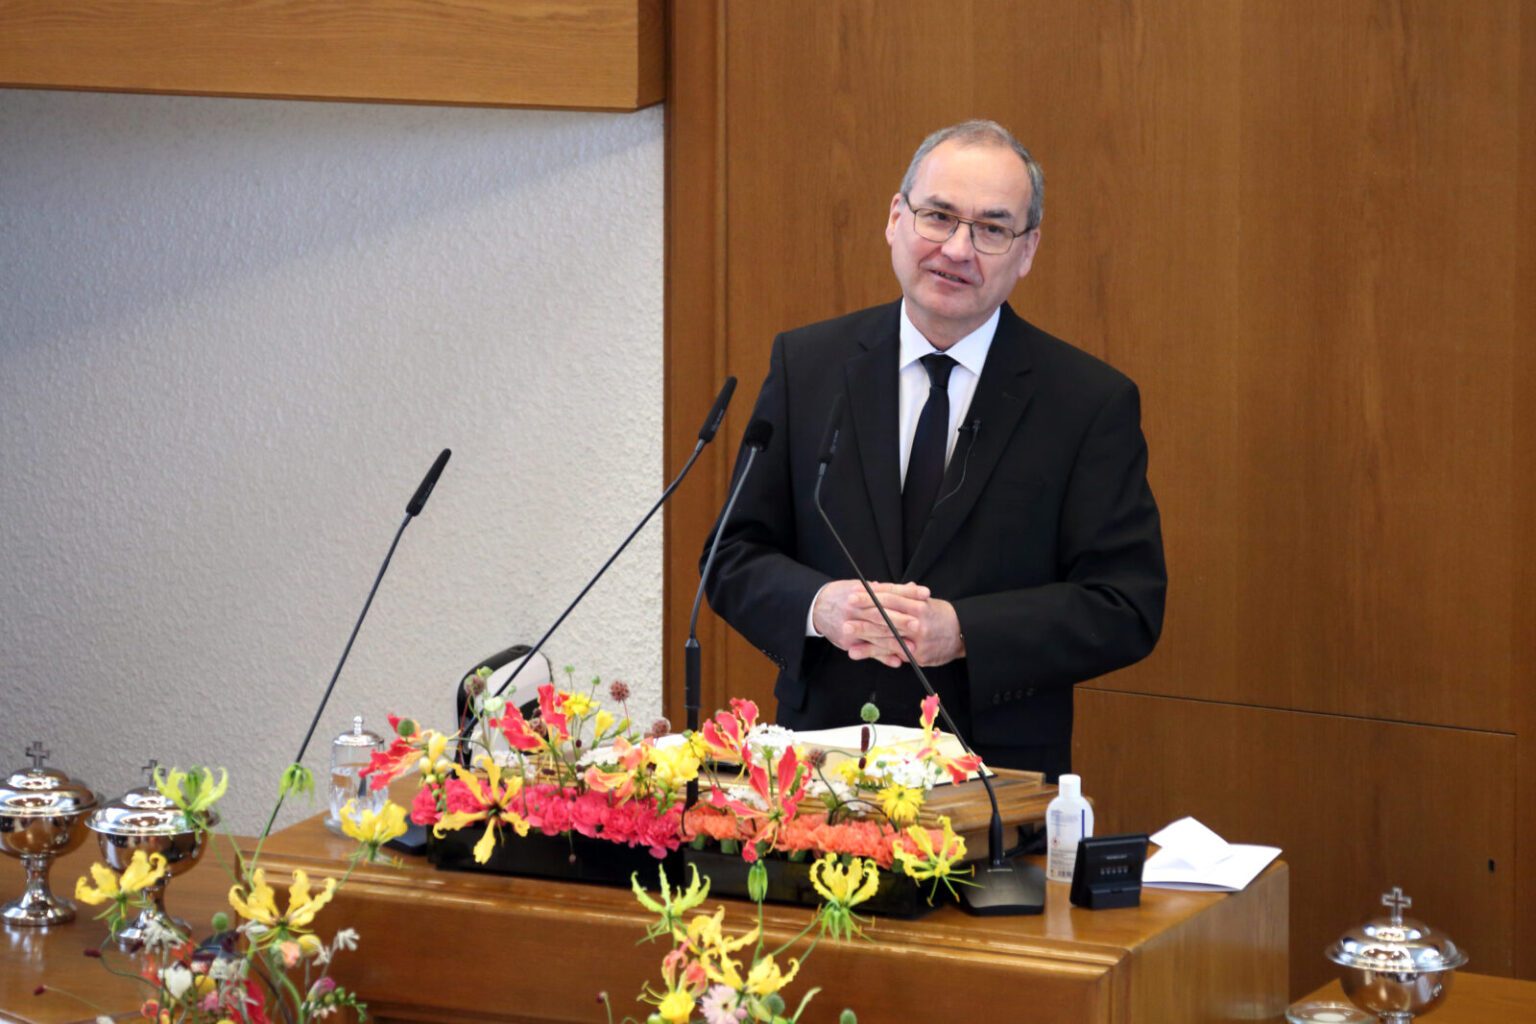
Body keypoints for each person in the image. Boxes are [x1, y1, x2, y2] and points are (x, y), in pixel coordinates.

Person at [703, 120, 1166, 779]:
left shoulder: (1087, 402)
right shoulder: (808, 365)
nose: (956, 249)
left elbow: (1126, 604)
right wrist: (819, 607)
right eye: (938, 217)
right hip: (820, 769)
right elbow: (731, 556)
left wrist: (964, 631)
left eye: (991, 229)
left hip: (993, 779)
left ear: (1027, 250)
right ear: (896, 218)